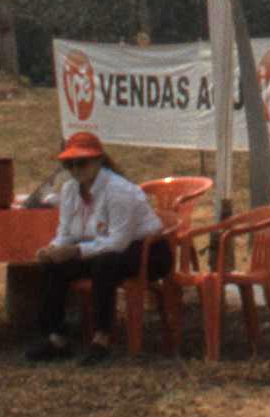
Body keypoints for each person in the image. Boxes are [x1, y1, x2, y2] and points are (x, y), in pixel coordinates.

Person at [9, 129, 169, 364]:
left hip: (147, 251)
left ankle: (102, 338)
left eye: (81, 163)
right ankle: (56, 337)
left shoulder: (118, 190)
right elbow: (65, 233)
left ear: (98, 161)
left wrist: (75, 251)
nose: (75, 170)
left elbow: (119, 241)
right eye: (69, 165)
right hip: (102, 248)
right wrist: (52, 250)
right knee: (54, 266)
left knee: (105, 264)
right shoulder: (69, 190)